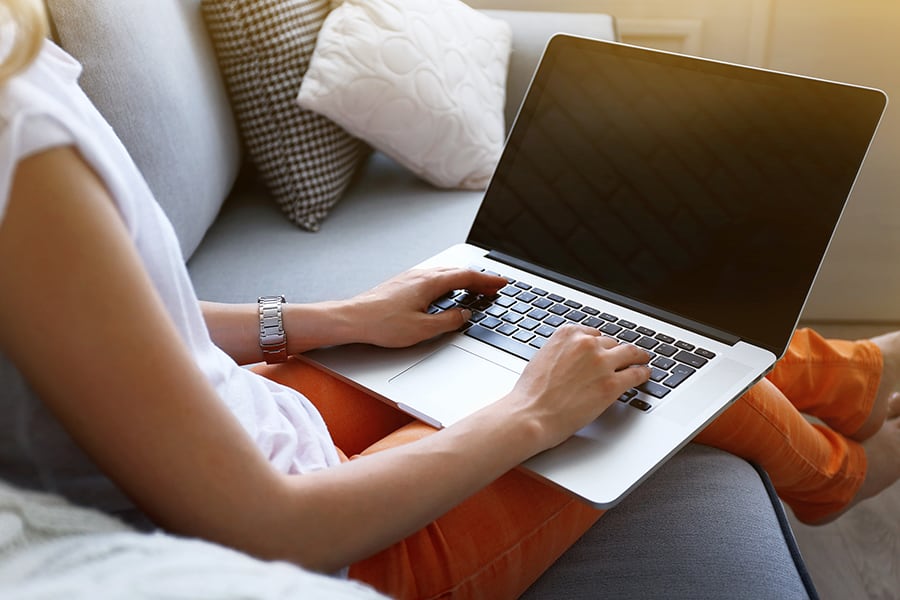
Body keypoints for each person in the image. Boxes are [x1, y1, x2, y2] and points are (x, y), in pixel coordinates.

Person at [1, 1, 898, 597]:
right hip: (331, 543)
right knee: (646, 374)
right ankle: (839, 473)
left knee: (595, 323)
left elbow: (119, 317)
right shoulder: (15, 132)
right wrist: (527, 414)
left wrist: (337, 317)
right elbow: (271, 533)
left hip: (245, 420)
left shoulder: (21, 62)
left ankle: (855, 378)